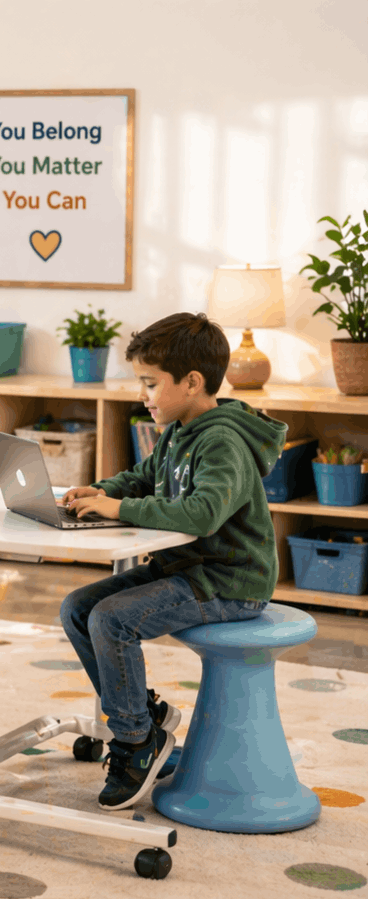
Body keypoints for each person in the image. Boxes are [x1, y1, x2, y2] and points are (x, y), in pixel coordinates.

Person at [60, 312, 284, 810]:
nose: (143, 393)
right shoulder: (178, 430)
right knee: (78, 607)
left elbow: (203, 513)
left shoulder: (222, 440)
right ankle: (145, 714)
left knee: (112, 619)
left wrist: (118, 509)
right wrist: (104, 491)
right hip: (186, 571)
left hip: (229, 580)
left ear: (192, 382)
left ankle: (137, 742)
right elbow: (143, 477)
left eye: (150, 383)